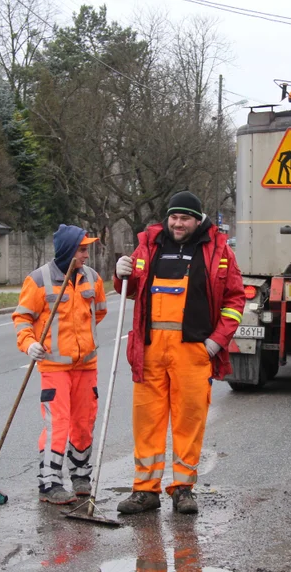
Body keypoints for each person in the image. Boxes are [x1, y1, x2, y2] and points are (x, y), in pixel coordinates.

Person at [113, 191, 245, 515]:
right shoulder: (150, 245)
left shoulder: (219, 251)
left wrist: (214, 343)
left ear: (197, 220)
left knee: (188, 423)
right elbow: (130, 290)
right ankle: (145, 491)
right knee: (147, 422)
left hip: (192, 353)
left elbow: (235, 300)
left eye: (184, 218)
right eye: (173, 217)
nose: (177, 223)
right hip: (150, 351)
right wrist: (120, 273)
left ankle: (183, 489)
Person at [13, 225, 107, 504]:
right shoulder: (38, 280)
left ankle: (80, 475)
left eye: (87, 248)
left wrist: (82, 341)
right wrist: (29, 343)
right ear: (68, 250)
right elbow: (22, 318)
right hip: (55, 368)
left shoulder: (92, 278)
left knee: (84, 421)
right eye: (82, 249)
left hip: (87, 365)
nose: (87, 254)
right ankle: (49, 482)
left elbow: (98, 312)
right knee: (59, 423)